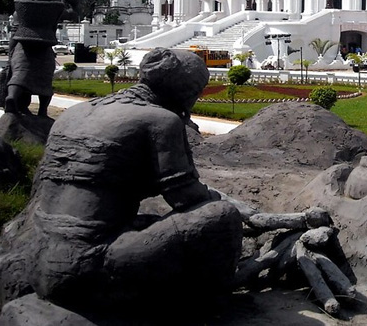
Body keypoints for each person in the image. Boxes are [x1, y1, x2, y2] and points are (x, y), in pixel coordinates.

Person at [28, 48, 245, 309]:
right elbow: (185, 197)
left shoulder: (76, 112)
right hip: (86, 264)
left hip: (37, 251)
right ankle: (212, 304)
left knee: (147, 222)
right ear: (186, 92)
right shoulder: (161, 120)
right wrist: (219, 201)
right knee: (222, 215)